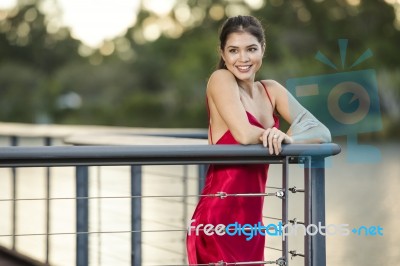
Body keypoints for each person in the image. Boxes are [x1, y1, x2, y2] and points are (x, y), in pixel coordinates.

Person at [186, 15, 331, 265]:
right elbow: (243, 133)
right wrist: (273, 135)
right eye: (233, 50)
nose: (243, 59)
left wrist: (286, 137)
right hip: (219, 221)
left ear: (263, 49)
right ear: (222, 52)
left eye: (251, 49)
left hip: (252, 225)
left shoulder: (271, 90)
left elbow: (322, 132)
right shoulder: (220, 79)